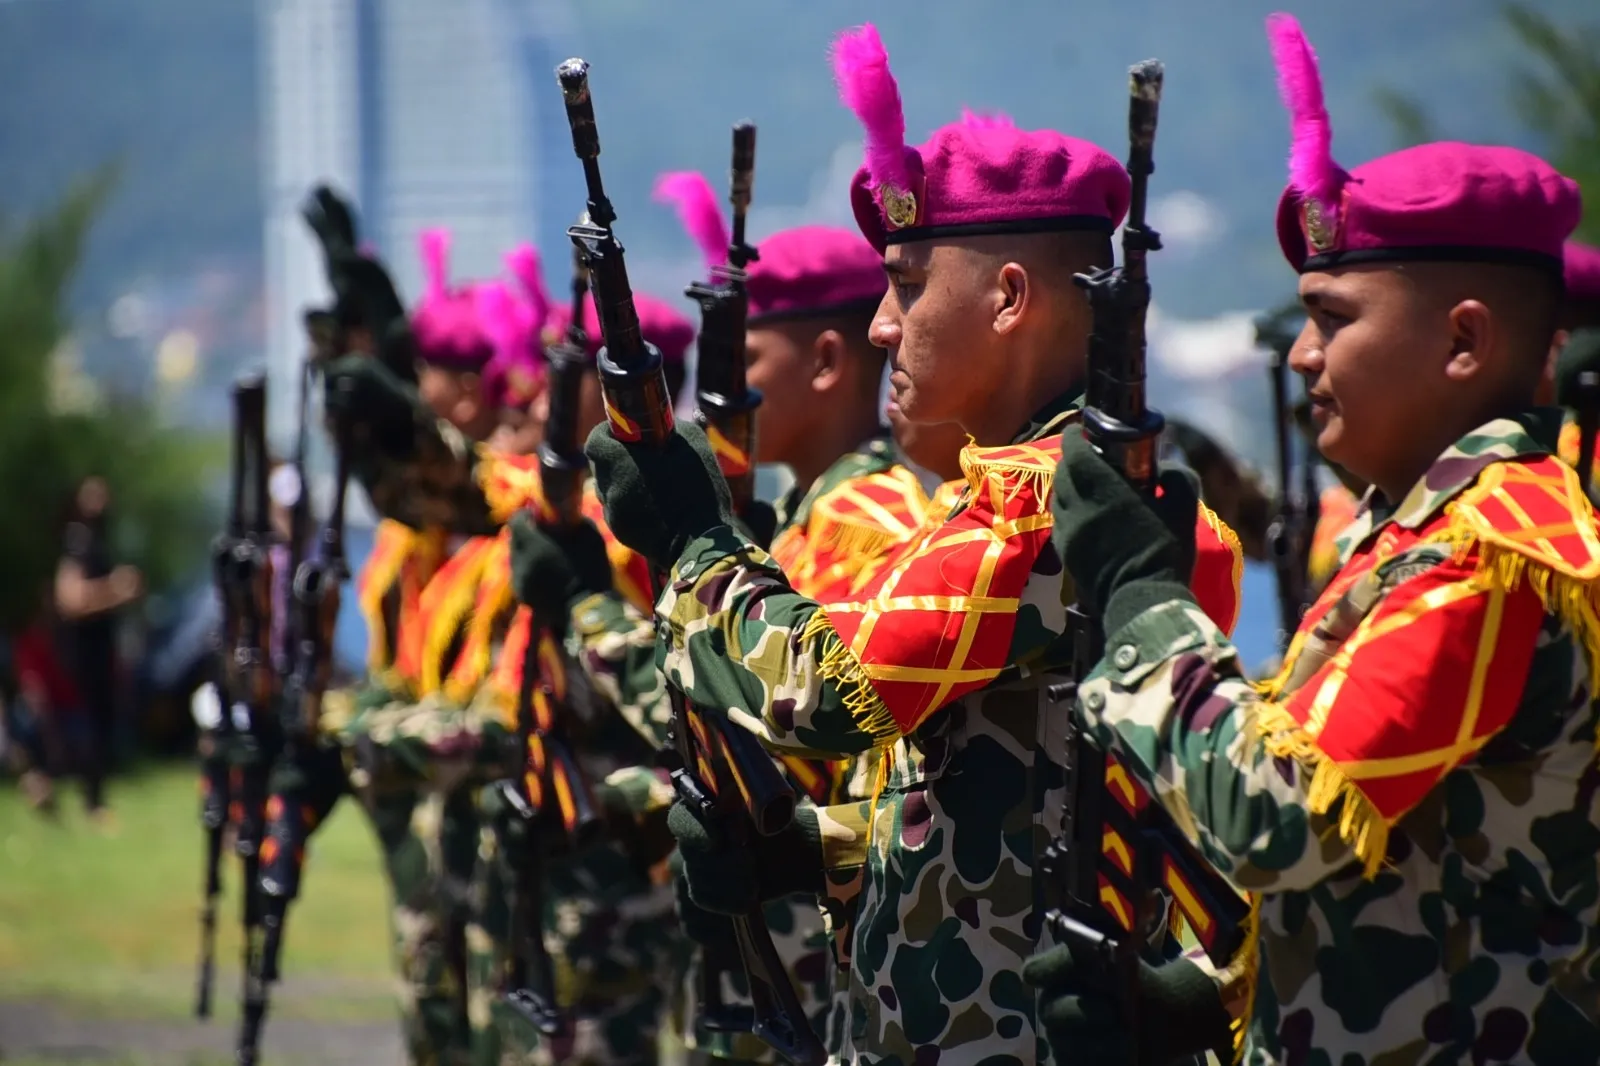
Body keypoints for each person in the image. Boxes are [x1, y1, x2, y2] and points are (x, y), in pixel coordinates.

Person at [584, 24, 1245, 1065]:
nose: (885, 323)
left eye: (908, 283)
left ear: (1010, 298)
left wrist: (694, 543)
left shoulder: (1047, 506)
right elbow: (989, 822)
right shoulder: (1008, 494)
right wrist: (823, 851)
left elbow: (832, 693)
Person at [1027, 14, 1600, 1065]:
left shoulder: (1491, 553)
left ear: (1463, 341)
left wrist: (1144, 607)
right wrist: (1209, 1001)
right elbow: (1394, 867)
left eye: (1333, 318)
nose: (1299, 358)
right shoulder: (1417, 534)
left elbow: (1278, 815)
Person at [53, 475, 141, 824]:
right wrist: (115, 591)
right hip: (82, 650)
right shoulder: (78, 542)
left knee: (101, 722)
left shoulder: (97, 540)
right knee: (89, 724)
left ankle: (92, 796)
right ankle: (90, 800)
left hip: (101, 648)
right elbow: (70, 599)